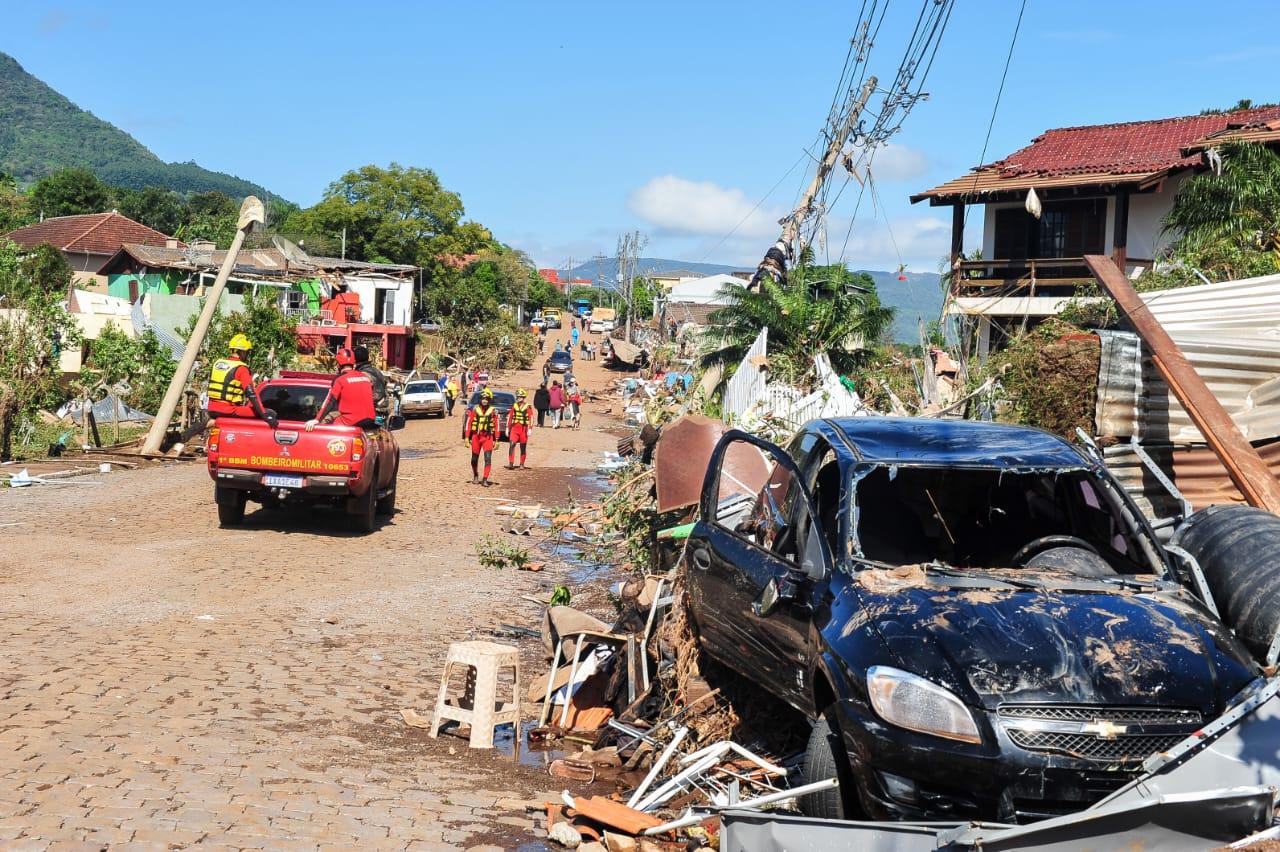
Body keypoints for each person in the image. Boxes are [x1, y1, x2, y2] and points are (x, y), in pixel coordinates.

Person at [206, 334, 273, 422]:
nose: (247, 355)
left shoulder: (217, 364)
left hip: (211, 409)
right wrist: (264, 415)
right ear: (242, 352)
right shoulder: (241, 368)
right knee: (270, 412)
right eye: (247, 352)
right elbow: (251, 394)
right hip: (228, 410)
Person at [305, 348, 377, 430]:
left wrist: (317, 419)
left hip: (351, 421)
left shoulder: (340, 379)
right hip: (371, 420)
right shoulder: (365, 377)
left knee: (329, 430)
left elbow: (330, 401)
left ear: (338, 364)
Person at [464, 387, 499, 486]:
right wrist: (467, 437)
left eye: (486, 399)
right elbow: (469, 424)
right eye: (483, 399)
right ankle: (475, 474)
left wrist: (497, 440)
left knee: (488, 458)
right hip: (476, 437)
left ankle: (485, 479)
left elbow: (496, 426)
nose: (484, 401)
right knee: (474, 459)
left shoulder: (493, 411)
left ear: (489, 400)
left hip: (487, 437)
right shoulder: (475, 410)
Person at [352, 344, 389, 423]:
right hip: (382, 411)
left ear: (354, 359)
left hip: (369, 414)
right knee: (380, 432)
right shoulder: (377, 372)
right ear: (368, 357)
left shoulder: (361, 374)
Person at [506, 389, 534, 470]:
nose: (519, 398)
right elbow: (510, 417)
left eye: (521, 397)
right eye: (518, 396)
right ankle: (511, 463)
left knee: (523, 447)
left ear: (523, 397)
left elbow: (531, 417)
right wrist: (508, 427)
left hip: (523, 429)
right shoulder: (514, 406)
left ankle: (522, 464)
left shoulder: (527, 406)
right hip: (514, 428)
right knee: (512, 445)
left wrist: (530, 428)